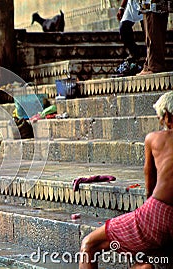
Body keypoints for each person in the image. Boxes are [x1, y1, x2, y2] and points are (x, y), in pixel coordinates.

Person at [79, 91, 173, 268]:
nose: (161, 124)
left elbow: (149, 182)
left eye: (161, 118)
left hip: (159, 212)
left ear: (167, 116)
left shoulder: (155, 138)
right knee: (142, 262)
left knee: (89, 244)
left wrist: (148, 213)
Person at [137, 0, 169, 75]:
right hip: (159, 6)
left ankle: (154, 65)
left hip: (153, 6)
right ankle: (150, 64)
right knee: (156, 33)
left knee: (152, 33)